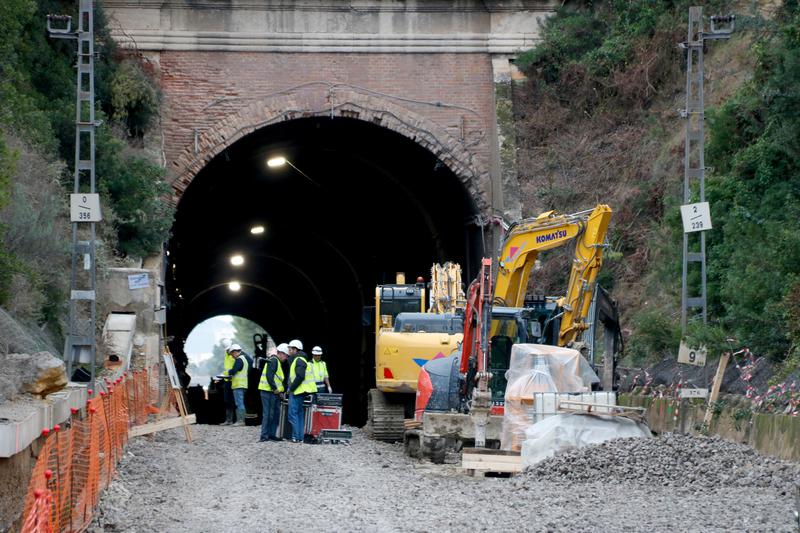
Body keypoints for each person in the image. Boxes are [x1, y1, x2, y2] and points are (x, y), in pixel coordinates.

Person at [286, 339, 316, 442]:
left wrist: (291, 388)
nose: (288, 351)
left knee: (293, 414)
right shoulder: (300, 359)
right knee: (299, 414)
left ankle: (295, 437)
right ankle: (299, 437)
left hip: (297, 391)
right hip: (300, 391)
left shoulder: (299, 360)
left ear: (295, 349)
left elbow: (300, 376)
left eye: (290, 349)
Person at [258, 343, 288, 442]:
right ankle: (264, 436)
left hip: (273, 392)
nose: (286, 358)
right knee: (268, 414)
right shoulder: (274, 361)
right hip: (268, 391)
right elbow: (269, 376)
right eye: (286, 355)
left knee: (275, 414)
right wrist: (275, 390)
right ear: (281, 353)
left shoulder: (277, 362)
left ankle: (271, 434)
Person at [222, 344, 250, 426]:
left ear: (235, 352)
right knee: (239, 403)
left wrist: (229, 372)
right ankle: (240, 420)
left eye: (232, 353)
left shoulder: (239, 360)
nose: (231, 355)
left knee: (239, 403)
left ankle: (241, 421)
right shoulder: (244, 359)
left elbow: (234, 371)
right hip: (242, 385)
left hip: (239, 385)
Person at [220, 338, 236, 425]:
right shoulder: (226, 355)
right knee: (227, 400)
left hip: (233, 380)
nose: (228, 351)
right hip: (227, 380)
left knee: (233, 400)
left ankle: (233, 420)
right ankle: (228, 420)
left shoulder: (234, 356)